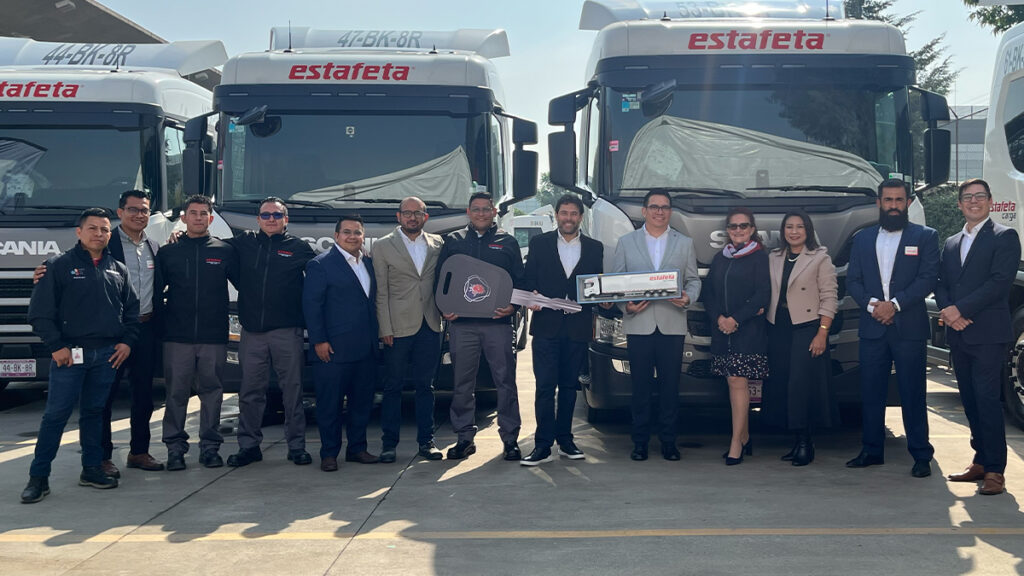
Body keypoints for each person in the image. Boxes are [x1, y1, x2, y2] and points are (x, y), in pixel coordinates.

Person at [32, 190, 165, 477]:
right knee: (99, 402)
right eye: (132, 209)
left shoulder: (155, 246)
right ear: (120, 213)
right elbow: (65, 277)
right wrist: (44, 273)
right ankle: (101, 458)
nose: (139, 215)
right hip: (106, 340)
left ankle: (139, 451)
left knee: (143, 395)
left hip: (142, 330)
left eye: (144, 210)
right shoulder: (102, 246)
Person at [21, 208, 139, 503]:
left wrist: (126, 343)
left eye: (104, 230)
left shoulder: (117, 269)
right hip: (69, 356)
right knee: (55, 417)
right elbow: (39, 315)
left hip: (107, 356)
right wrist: (56, 347)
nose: (99, 234)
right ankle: (38, 478)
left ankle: (91, 469)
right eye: (93, 228)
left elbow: (133, 313)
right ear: (79, 232)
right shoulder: (57, 266)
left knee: (94, 414)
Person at [845, 178, 939, 478]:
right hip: (873, 327)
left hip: (908, 327)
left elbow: (927, 278)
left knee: (913, 392)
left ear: (908, 202)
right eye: (889, 200)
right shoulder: (862, 239)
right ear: (879, 203)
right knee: (871, 392)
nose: (894, 206)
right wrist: (875, 305)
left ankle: (921, 454)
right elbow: (853, 282)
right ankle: (872, 450)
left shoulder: (925, 236)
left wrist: (895, 305)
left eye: (900, 200)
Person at [935, 178, 1020, 496]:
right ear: (959, 204)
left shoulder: (1005, 237)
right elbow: (940, 281)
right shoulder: (952, 242)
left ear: (990, 201)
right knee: (969, 401)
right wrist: (947, 309)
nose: (973, 201)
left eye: (980, 196)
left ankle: (996, 470)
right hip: (959, 334)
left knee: (987, 400)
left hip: (987, 333)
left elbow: (1000, 283)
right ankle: (981, 460)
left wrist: (959, 309)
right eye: (967, 197)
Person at [226, 197, 316, 468]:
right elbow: (213, 248)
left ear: (286, 219)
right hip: (252, 332)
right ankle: (249, 446)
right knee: (250, 392)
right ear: (258, 219)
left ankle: (296, 446)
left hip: (287, 332)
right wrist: (179, 236)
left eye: (277, 215)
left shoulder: (299, 248)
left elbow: (322, 275)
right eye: (266, 216)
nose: (271, 220)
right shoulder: (244, 243)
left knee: (292, 390)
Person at [610, 190, 701, 461]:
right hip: (639, 324)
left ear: (670, 211)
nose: (659, 212)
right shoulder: (627, 242)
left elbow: (694, 280)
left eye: (664, 207)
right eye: (654, 207)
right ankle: (639, 442)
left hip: (672, 325)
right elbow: (616, 283)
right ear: (644, 211)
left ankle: (669, 442)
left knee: (670, 388)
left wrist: (688, 298)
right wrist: (626, 306)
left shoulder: (684, 243)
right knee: (640, 388)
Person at [436, 192, 525, 461]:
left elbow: (519, 281)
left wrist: (514, 307)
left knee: (505, 382)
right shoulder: (453, 241)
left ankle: (510, 439)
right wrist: (444, 308)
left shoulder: (507, 243)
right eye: (476, 209)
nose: (482, 213)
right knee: (462, 383)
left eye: (487, 209)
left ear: (495, 212)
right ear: (468, 211)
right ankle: (464, 438)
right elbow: (441, 280)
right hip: (462, 326)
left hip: (497, 324)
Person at [519, 194, 605, 466]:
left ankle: (566, 440)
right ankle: (542, 445)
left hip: (578, 328)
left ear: (581, 217)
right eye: (564, 213)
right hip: (546, 327)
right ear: (556, 215)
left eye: (573, 213)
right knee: (545, 387)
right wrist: (532, 297)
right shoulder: (539, 243)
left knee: (569, 387)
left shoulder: (595, 247)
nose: (568, 218)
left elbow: (597, 284)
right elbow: (528, 278)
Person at [158, 195, 238, 471]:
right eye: (193, 213)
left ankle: (210, 448)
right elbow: (155, 293)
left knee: (212, 392)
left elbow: (246, 283)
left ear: (211, 219)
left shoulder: (224, 251)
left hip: (213, 335)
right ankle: (175, 450)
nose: (199, 218)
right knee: (176, 393)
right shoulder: (168, 252)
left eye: (204, 213)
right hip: (177, 336)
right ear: (183, 217)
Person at [303, 214, 380, 472]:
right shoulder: (320, 264)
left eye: (357, 232)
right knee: (329, 406)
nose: (352, 236)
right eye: (346, 232)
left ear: (363, 236)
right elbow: (312, 307)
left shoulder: (368, 263)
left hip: (365, 349)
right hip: (332, 350)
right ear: (336, 236)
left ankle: (357, 448)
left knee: (361, 403)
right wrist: (319, 341)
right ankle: (329, 454)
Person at [371, 197, 445, 463]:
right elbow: (381, 291)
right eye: (407, 213)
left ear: (425, 217)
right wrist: (385, 328)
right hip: (397, 327)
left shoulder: (437, 243)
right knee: (393, 387)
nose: (412, 217)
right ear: (398, 216)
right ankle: (389, 444)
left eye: (418, 213)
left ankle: (427, 441)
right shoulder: (382, 246)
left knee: (427, 386)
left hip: (430, 324)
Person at [764, 211, 838, 466]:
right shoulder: (774, 257)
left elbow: (830, 297)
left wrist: (822, 333)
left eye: (799, 227)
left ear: (808, 230)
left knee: (802, 387)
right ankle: (795, 441)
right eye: (789, 227)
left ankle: (807, 441)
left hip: (807, 328)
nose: (793, 232)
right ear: (783, 231)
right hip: (779, 328)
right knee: (783, 385)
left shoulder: (820, 258)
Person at [704, 207, 770, 466]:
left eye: (744, 226)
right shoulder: (720, 258)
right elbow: (708, 294)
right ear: (727, 231)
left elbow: (762, 295)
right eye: (733, 226)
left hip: (748, 331)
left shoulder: (759, 258)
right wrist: (719, 318)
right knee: (732, 383)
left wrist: (736, 319)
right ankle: (744, 436)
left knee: (737, 381)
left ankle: (735, 442)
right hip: (723, 332)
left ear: (752, 229)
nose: (738, 230)